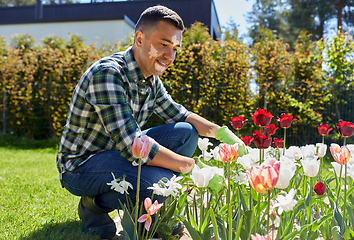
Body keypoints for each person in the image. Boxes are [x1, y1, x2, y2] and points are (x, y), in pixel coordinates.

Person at [56, 5, 245, 239]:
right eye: (163, 45)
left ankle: (150, 211)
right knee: (156, 183)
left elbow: (179, 114)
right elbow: (130, 144)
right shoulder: (108, 74)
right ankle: (94, 206)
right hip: (82, 166)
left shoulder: (150, 80)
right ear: (139, 38)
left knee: (186, 133)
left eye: (175, 48)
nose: (170, 56)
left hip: (118, 156)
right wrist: (192, 167)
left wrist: (222, 134)